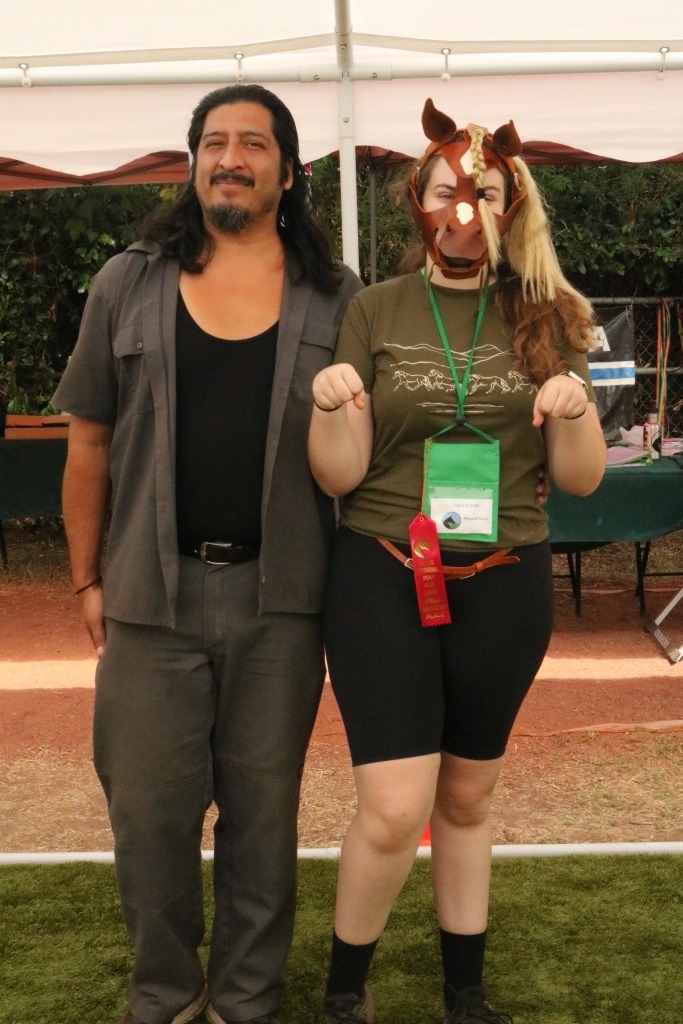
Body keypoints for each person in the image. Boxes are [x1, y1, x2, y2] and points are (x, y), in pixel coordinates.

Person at [53, 83, 362, 1024]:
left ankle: (245, 999)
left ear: (288, 171)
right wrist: (86, 577)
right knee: (148, 814)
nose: (231, 158)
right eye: (214, 143)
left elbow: (372, 447)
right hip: (149, 597)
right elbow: (88, 444)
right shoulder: (126, 283)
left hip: (283, 601)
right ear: (192, 164)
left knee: (263, 818)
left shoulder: (337, 296)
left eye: (253, 144)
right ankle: (167, 992)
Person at [308, 99, 607, 1024]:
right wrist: (329, 404)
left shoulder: (545, 315)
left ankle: (464, 997)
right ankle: (344, 994)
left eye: (479, 193)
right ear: (419, 202)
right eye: (443, 191)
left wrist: (573, 407)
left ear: (509, 209)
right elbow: (340, 475)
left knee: (467, 798)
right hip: (382, 572)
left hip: (504, 581)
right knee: (396, 807)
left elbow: (579, 480)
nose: (460, 207)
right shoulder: (374, 308)